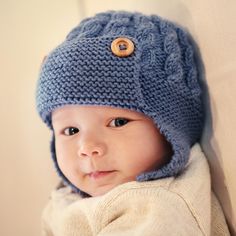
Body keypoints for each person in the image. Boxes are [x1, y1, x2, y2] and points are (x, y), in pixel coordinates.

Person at [36, 10, 230, 236]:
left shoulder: (156, 208)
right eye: (70, 130)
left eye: (118, 122)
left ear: (169, 130)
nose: (88, 148)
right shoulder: (70, 195)